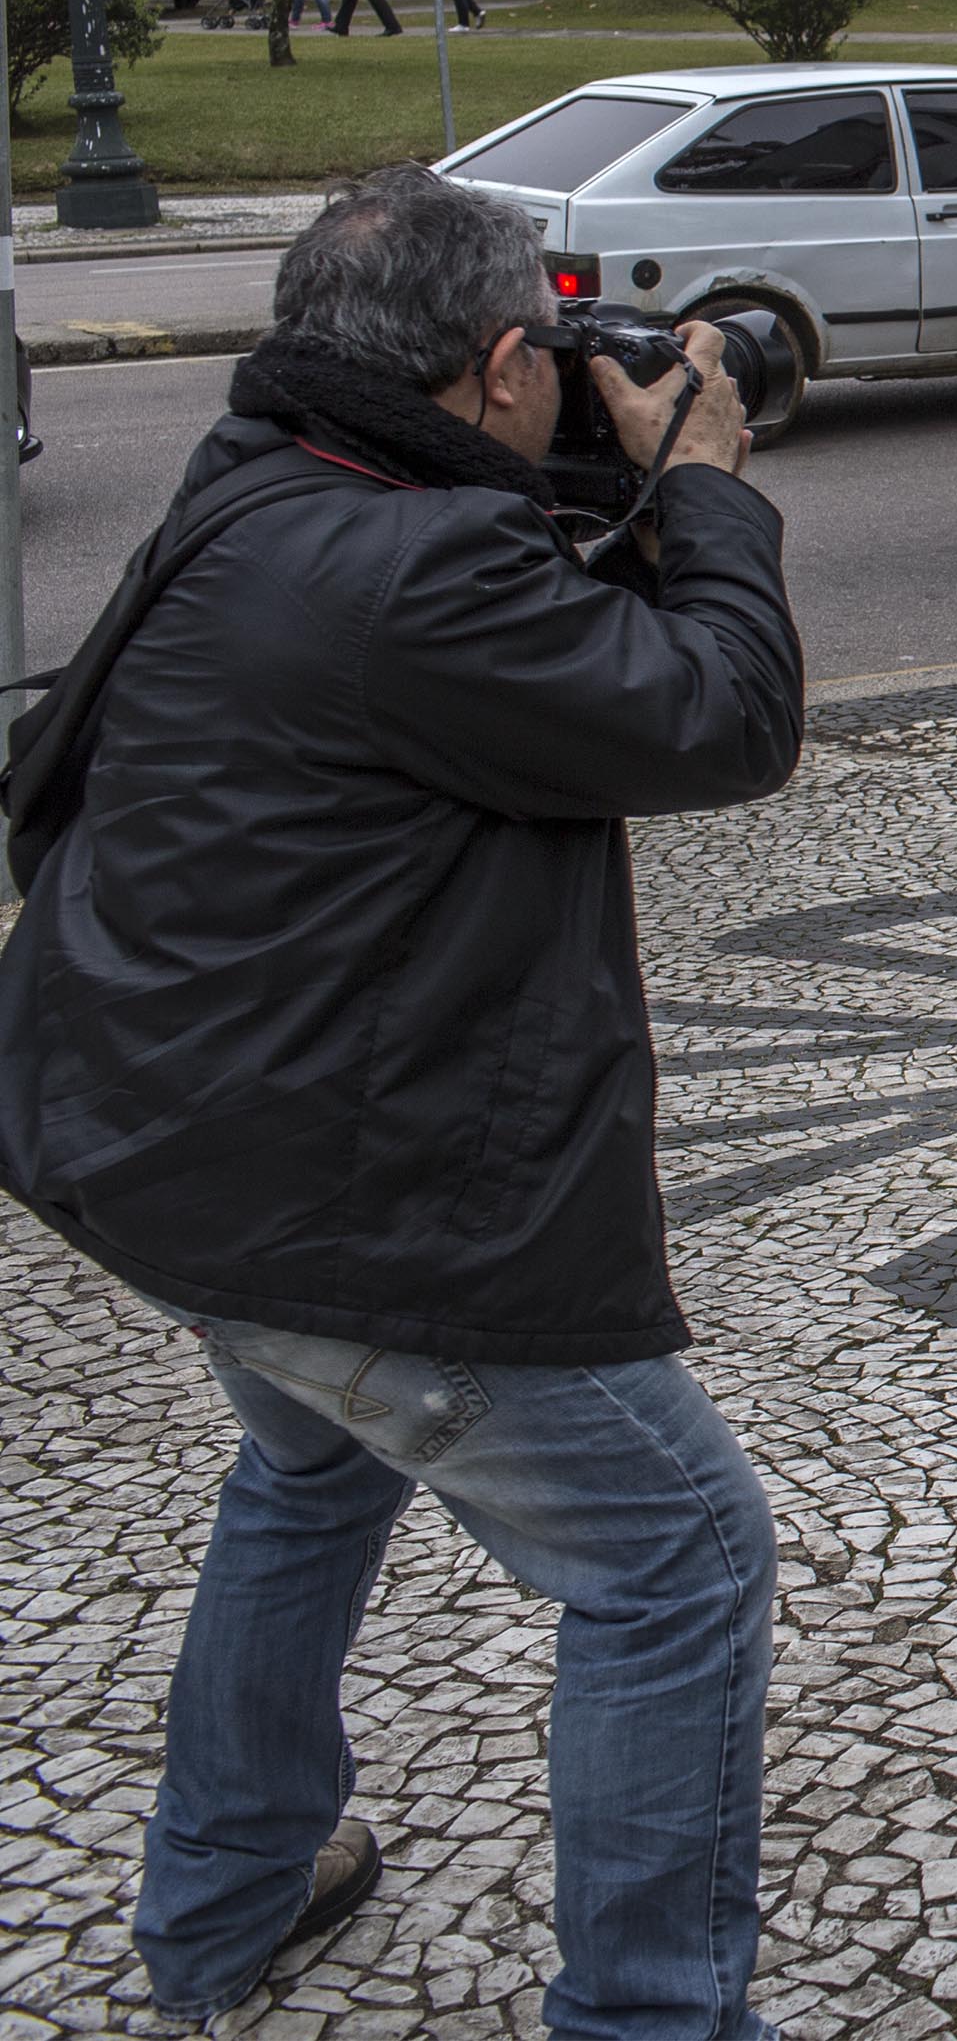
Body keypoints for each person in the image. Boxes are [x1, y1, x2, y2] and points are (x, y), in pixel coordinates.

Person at [0, 166, 804, 2036]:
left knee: (311, 1467)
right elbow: (719, 717)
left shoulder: (265, 488)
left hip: (149, 1146)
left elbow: (498, 621)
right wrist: (703, 479)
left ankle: (222, 1907)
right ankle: (650, 2020)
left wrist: (593, 481)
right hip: (332, 1200)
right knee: (678, 1559)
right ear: (509, 360)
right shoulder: (417, 566)